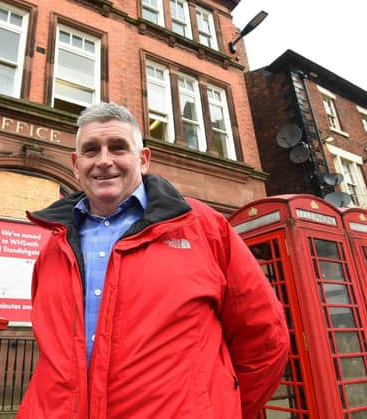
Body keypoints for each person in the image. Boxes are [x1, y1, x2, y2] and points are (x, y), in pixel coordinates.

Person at [18, 103, 289, 418]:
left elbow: (265, 338)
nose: (104, 161)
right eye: (91, 151)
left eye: (118, 148)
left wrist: (217, 408)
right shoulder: (54, 246)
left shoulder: (203, 226)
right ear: (77, 164)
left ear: (143, 159)